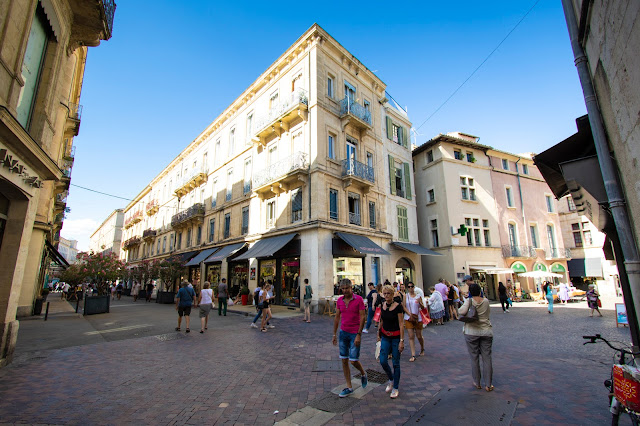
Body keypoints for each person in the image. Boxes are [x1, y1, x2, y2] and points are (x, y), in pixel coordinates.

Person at [332, 279, 368, 398]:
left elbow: (363, 317)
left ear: (351, 287)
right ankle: (349, 386)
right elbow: (337, 317)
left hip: (354, 333)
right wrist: (334, 334)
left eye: (347, 288)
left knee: (353, 360)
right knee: (344, 359)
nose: (345, 290)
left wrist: (359, 334)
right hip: (343, 332)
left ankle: (363, 373)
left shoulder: (358, 300)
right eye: (343, 288)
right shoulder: (340, 301)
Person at [459, 282, 494, 392]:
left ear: (470, 292)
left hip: (471, 331)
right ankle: (488, 384)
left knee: (474, 358)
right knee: (487, 358)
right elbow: (488, 314)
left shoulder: (469, 301)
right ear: (480, 291)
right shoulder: (486, 301)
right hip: (486, 331)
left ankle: (477, 382)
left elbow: (461, 311)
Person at [377, 284, 404, 399]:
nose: (386, 296)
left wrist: (402, 340)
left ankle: (395, 387)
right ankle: (391, 379)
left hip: (396, 337)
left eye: (389, 293)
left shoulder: (398, 307)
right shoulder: (382, 305)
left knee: (396, 363)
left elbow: (401, 324)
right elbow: (381, 320)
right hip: (385, 336)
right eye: (385, 293)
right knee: (383, 360)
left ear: (393, 294)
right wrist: (378, 333)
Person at [403, 282, 424, 361]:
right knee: (411, 336)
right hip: (408, 318)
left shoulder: (418, 296)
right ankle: (413, 354)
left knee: (419, 336)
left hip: (418, 318)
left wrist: (420, 302)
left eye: (412, 286)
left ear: (414, 287)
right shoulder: (406, 296)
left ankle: (422, 348)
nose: (410, 288)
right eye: (409, 287)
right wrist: (409, 314)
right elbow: (404, 306)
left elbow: (422, 307)